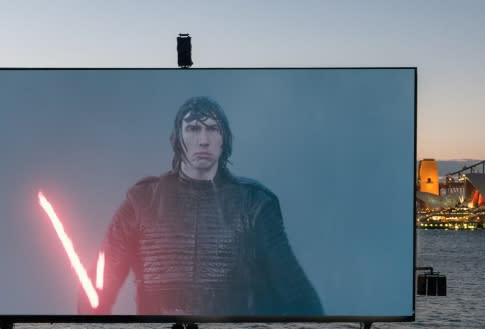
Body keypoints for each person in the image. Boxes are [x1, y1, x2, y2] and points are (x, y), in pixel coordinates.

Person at [83, 96, 322, 317]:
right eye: (193, 129)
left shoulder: (254, 204)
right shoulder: (142, 201)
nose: (204, 140)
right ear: (178, 137)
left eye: (212, 129)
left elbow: (297, 293)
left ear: (223, 138)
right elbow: (97, 290)